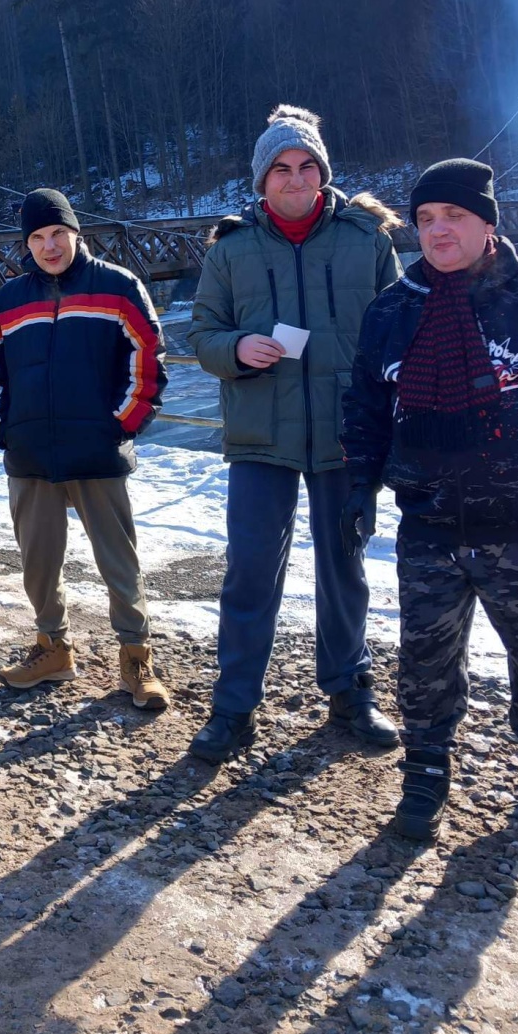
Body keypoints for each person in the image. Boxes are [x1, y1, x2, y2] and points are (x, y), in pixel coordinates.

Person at [186, 106, 401, 761]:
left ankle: (349, 689)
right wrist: (235, 348)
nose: (295, 178)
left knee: (344, 567)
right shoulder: (231, 248)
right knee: (250, 572)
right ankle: (233, 707)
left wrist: (391, 421)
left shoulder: (367, 239)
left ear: (322, 172)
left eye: (307, 165)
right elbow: (201, 333)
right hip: (260, 435)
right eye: (281, 168)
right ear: (261, 179)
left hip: (344, 434)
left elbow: (398, 332)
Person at [342, 158, 518, 840]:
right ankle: (425, 772)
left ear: (487, 222)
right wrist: (358, 484)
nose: (437, 231)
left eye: (454, 216)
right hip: (428, 520)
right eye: (425, 219)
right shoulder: (392, 311)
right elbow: (365, 407)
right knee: (424, 659)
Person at [0, 187, 170, 709]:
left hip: (97, 452)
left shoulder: (118, 287)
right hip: (30, 454)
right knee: (38, 563)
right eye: (38, 237)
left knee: (119, 563)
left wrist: (121, 424)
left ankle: (136, 657)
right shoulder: (7, 301)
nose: (50, 246)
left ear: (76, 233)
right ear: (27, 244)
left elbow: (148, 358)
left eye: (58, 233)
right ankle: (52, 649)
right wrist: (1, 429)